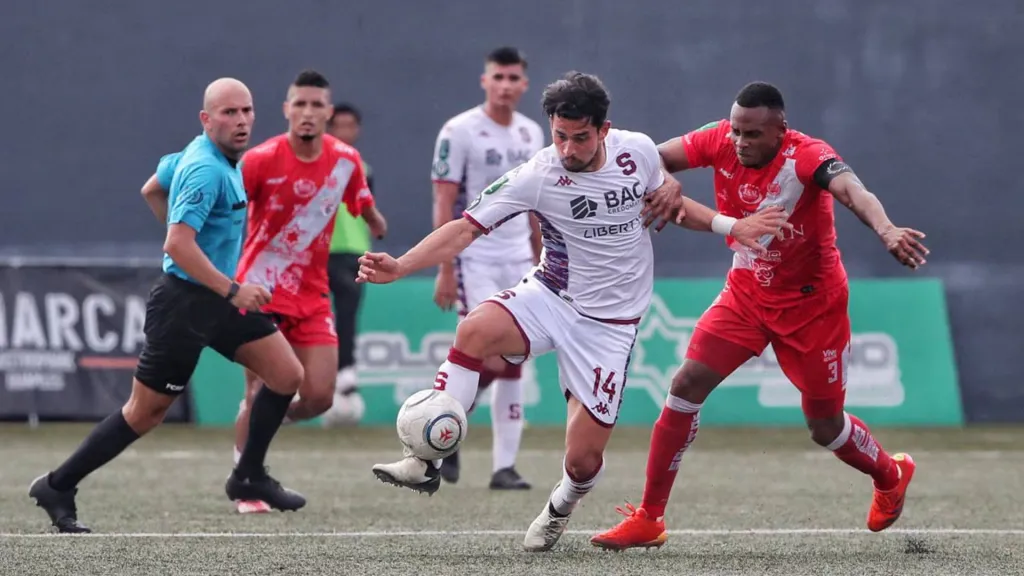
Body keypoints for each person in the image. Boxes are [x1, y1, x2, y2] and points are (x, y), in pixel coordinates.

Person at [357, 72, 789, 552]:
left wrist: (732, 224)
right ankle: (425, 459)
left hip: (610, 327)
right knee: (474, 330)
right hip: (550, 297)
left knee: (583, 462)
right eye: (559, 135)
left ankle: (560, 506)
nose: (567, 148)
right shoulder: (538, 174)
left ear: (604, 130)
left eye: (579, 137)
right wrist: (401, 265)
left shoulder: (638, 152)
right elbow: (464, 228)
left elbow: (676, 209)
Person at [590, 81, 930, 551]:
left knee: (824, 427)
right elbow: (652, 157)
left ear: (779, 131)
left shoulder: (808, 156)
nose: (740, 142)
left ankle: (891, 473)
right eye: (736, 132)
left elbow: (853, 191)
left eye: (752, 135)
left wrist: (887, 229)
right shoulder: (717, 139)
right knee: (686, 384)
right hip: (747, 294)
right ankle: (649, 517)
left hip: (813, 307)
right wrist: (665, 180)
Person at [29, 78, 307, 533]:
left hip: (214, 297)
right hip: (184, 305)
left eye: (246, 111)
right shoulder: (206, 169)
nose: (240, 121)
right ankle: (58, 485)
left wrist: (219, 281)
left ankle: (248, 476)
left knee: (286, 374)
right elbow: (178, 245)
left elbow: (151, 189)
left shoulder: (206, 157)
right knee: (145, 413)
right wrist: (232, 288)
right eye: (228, 113)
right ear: (206, 119)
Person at [140, 71, 386, 515]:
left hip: (312, 292)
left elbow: (361, 199)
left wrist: (375, 221)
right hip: (260, 288)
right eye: (300, 104)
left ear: (329, 113)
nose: (308, 113)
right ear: (286, 110)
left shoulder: (346, 159)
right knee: (260, 390)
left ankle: (263, 419)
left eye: (317, 106)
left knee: (321, 397)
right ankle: (247, 479)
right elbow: (214, 204)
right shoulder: (257, 159)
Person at [429, 46, 545, 490]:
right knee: (484, 355)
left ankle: (504, 466)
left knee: (515, 358)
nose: (505, 85)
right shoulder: (459, 130)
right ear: (485, 81)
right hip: (473, 257)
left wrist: (540, 255)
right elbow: (444, 200)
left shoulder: (532, 133)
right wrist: (444, 267)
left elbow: (537, 204)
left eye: (513, 78)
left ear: (524, 85)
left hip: (518, 258)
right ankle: (445, 427)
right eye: (498, 77)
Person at [323, 102, 376, 425]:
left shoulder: (364, 168)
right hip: (319, 250)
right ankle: (304, 376)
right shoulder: (317, 163)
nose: (344, 131)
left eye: (349, 125)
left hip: (354, 250)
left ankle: (345, 373)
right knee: (310, 315)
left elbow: (369, 211)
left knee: (347, 315)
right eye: (338, 125)